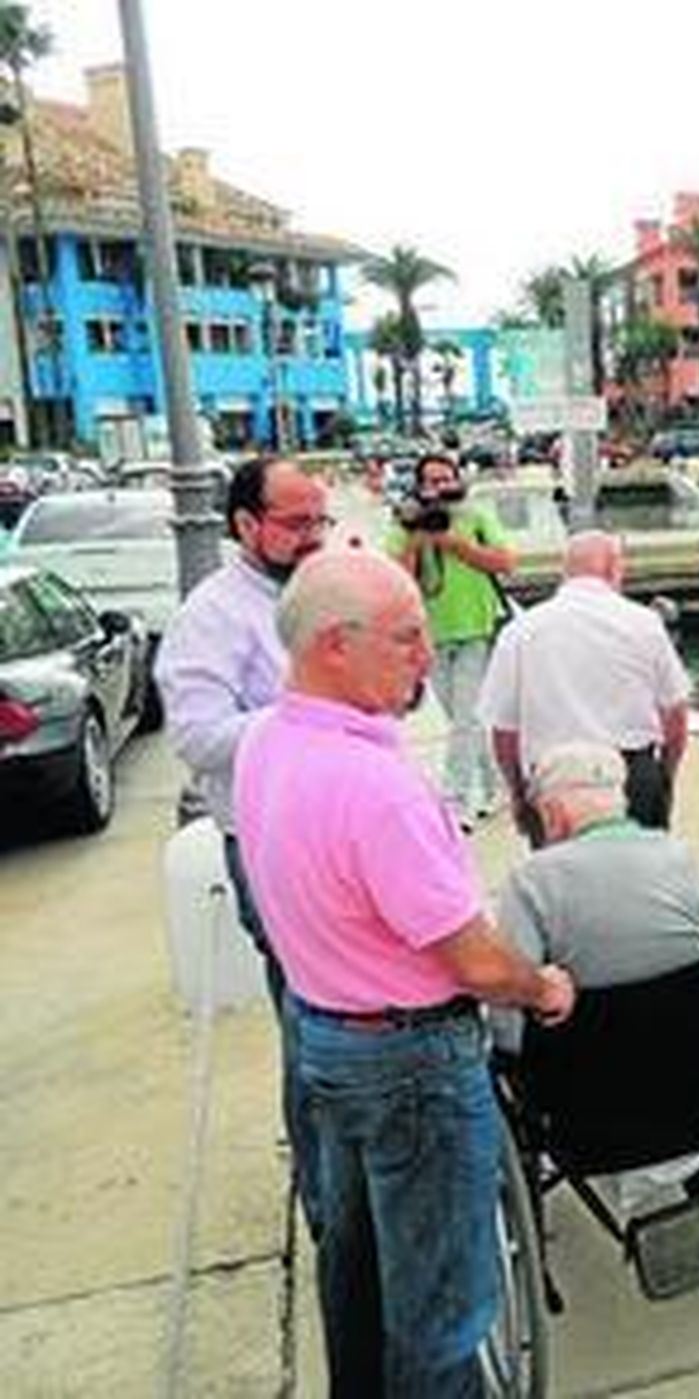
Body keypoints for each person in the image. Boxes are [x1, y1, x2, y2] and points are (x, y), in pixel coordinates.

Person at [234, 548, 575, 1397]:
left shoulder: (264, 742)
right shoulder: (377, 788)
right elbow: (471, 957)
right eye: (407, 637)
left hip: (325, 1035)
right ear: (333, 646)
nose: (427, 656)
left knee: (353, 1267)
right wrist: (544, 986)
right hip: (413, 1062)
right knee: (442, 1307)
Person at [155, 455, 331, 1225]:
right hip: (270, 845)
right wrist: (309, 711)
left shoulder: (326, 590)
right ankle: (327, 1196)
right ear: (245, 525)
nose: (313, 535)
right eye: (296, 523)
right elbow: (195, 734)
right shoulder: (213, 615)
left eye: (320, 519)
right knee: (311, 1014)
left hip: (348, 829)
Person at [494, 740, 699, 1217]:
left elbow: (510, 1025)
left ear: (554, 813)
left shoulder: (531, 881)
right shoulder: (680, 856)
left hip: (588, 1098)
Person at [479, 530, 691, 837]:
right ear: (614, 568)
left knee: (562, 879)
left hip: (556, 778)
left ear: (564, 572)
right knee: (638, 877)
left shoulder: (521, 631)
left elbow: (503, 730)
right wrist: (666, 777)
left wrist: (518, 792)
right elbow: (675, 714)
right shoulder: (644, 623)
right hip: (632, 774)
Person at [386, 452, 517, 832]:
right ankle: (498, 786)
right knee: (464, 719)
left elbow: (505, 562)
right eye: (432, 480)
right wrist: (416, 539)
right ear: (419, 484)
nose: (440, 487)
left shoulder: (475, 516)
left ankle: (455, 801)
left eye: (447, 479)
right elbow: (399, 580)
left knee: (467, 718)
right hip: (429, 636)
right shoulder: (406, 520)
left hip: (476, 628)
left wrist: (451, 543)